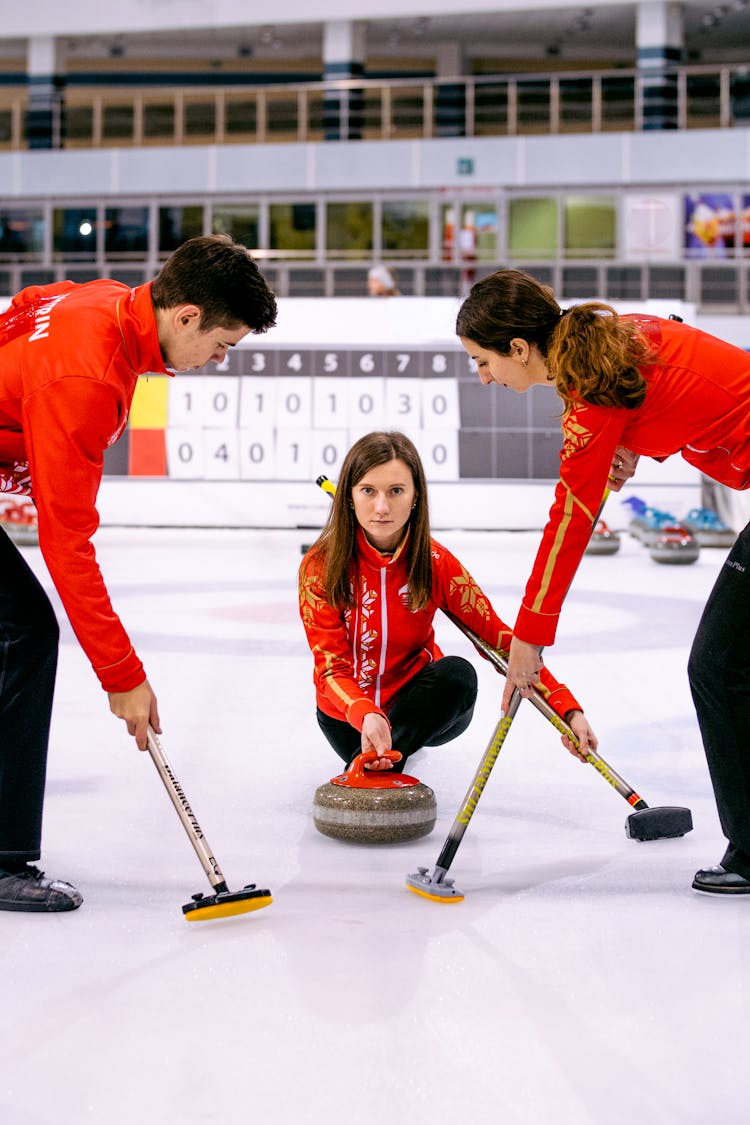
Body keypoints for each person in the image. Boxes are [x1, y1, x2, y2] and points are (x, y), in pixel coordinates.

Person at [0, 234, 277, 912]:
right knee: (26, 629)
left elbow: (27, 305)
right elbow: (67, 545)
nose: (217, 360)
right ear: (184, 315)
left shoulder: (108, 304)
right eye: (221, 345)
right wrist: (122, 674)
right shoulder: (88, 376)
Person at [456, 267, 750, 896]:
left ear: (519, 349)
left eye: (484, 361)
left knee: (720, 665)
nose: (484, 377)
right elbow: (683, 373)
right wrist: (638, 440)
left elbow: (571, 521)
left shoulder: (591, 395)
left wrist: (528, 640)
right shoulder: (609, 345)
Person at [298, 430, 597, 775]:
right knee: (361, 714)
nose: (381, 507)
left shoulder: (435, 562)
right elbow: (331, 668)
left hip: (419, 707)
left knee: (458, 675)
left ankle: (384, 758)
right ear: (349, 497)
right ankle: (377, 760)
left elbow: (502, 643)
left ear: (415, 497)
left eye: (396, 491)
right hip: (346, 719)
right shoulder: (320, 566)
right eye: (368, 491)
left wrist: (567, 710)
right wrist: (366, 712)